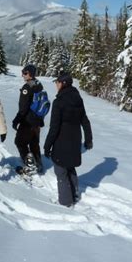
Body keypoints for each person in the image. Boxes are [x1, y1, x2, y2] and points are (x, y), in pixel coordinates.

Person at [44, 72, 93, 207]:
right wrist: (88, 139)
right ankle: (74, 194)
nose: (56, 84)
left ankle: (66, 202)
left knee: (61, 172)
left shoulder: (58, 102)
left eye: (57, 82)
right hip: (75, 139)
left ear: (63, 83)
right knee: (70, 167)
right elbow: (85, 121)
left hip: (61, 141)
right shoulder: (78, 99)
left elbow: (54, 128)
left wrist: (47, 146)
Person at [12, 64, 44, 174]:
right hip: (38, 121)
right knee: (34, 143)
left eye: (25, 73)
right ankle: (38, 162)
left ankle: (30, 165)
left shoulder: (27, 88)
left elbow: (23, 107)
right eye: (22, 72)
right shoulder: (39, 85)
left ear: (30, 74)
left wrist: (16, 120)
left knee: (20, 142)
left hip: (27, 121)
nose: (23, 75)